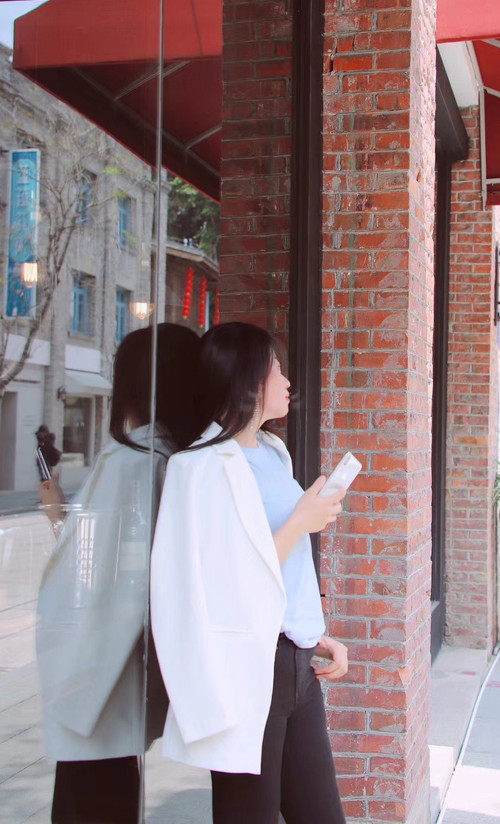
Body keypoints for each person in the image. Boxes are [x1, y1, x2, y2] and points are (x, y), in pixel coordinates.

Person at [150, 321, 350, 824]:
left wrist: (313, 633)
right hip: (246, 669)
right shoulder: (197, 467)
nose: (287, 380)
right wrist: (300, 522)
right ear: (247, 378)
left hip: (295, 662)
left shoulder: (273, 453)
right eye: (276, 367)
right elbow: (213, 580)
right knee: (248, 815)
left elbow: (282, 569)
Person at [37, 324, 201, 824]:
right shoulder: (172, 457)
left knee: (91, 797)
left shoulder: (133, 460)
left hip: (100, 669)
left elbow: (99, 575)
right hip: (121, 670)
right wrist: (60, 515)